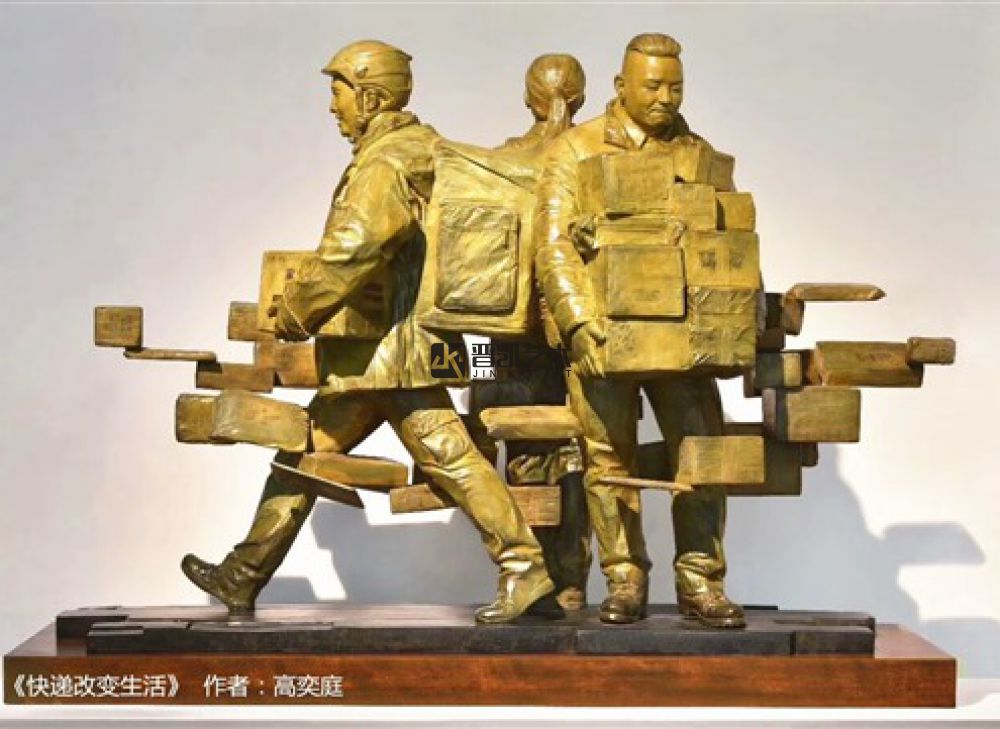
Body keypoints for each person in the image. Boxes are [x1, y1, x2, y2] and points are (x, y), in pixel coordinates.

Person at [182, 40, 553, 624]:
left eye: (340, 92)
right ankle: (244, 573)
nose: (333, 106)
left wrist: (297, 310)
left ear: (371, 98)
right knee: (304, 449)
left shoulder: (386, 162)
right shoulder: (422, 148)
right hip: (381, 355)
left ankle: (524, 566)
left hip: (393, 356)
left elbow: (352, 248)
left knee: (448, 457)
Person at [534, 33, 746, 628]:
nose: (664, 98)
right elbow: (551, 246)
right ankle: (624, 578)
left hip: (685, 339)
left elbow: (729, 243)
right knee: (607, 462)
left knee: (701, 455)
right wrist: (578, 322)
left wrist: (732, 321)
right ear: (621, 86)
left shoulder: (698, 154)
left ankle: (701, 580)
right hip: (603, 334)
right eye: (652, 86)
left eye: (675, 87)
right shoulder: (575, 149)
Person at [469, 53, 593, 612]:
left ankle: (532, 577)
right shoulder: (592, 159)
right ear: (582, 98)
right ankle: (568, 581)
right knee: (577, 454)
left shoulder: (499, 162)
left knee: (513, 444)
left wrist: (471, 369)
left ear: (527, 98)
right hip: (570, 330)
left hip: (499, 335)